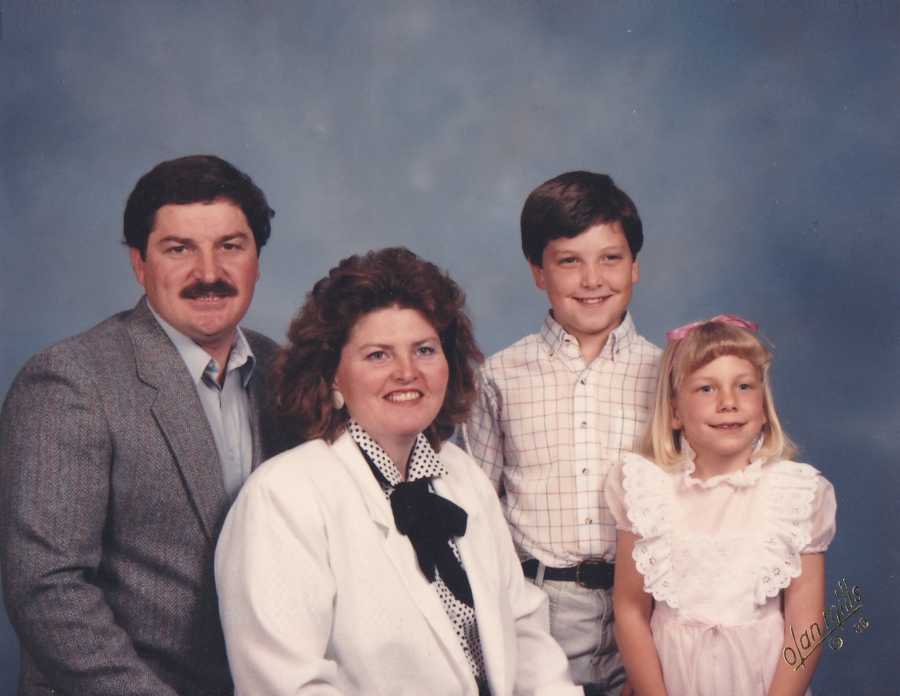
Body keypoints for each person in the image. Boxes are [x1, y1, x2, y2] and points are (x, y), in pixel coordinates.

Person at [215, 247, 581, 696]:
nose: (407, 373)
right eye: (378, 356)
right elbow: (290, 686)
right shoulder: (282, 497)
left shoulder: (462, 474)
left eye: (424, 350)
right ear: (332, 375)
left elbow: (524, 632)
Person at [0, 154, 283, 695]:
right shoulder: (71, 381)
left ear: (256, 260)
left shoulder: (287, 373)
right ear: (139, 263)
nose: (208, 273)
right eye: (179, 249)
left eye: (230, 246)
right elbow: (48, 588)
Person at [464, 171, 660, 694]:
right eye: (569, 260)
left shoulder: (669, 376)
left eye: (610, 258)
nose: (592, 279)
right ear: (538, 272)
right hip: (540, 608)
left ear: (635, 266)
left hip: (648, 605)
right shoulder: (500, 376)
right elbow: (479, 503)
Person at [606, 315, 837, 696]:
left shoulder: (796, 494)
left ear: (763, 408)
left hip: (764, 681)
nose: (729, 402)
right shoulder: (646, 491)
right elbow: (630, 610)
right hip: (669, 680)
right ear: (676, 412)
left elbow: (805, 620)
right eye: (707, 389)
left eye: (744, 386)